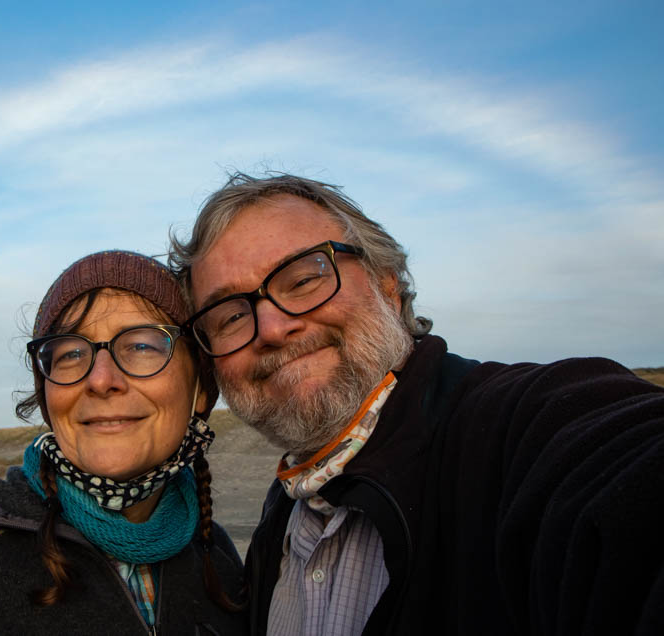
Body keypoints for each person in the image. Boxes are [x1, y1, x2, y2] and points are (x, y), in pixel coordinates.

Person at [169, 172, 664, 636]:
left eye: (303, 279)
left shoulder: (523, 429)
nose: (274, 328)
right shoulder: (282, 516)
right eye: (231, 315)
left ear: (387, 280)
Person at [0, 250, 246, 635]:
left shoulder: (217, 557)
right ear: (49, 395)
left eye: (141, 345)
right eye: (69, 353)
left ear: (201, 390)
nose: (100, 380)